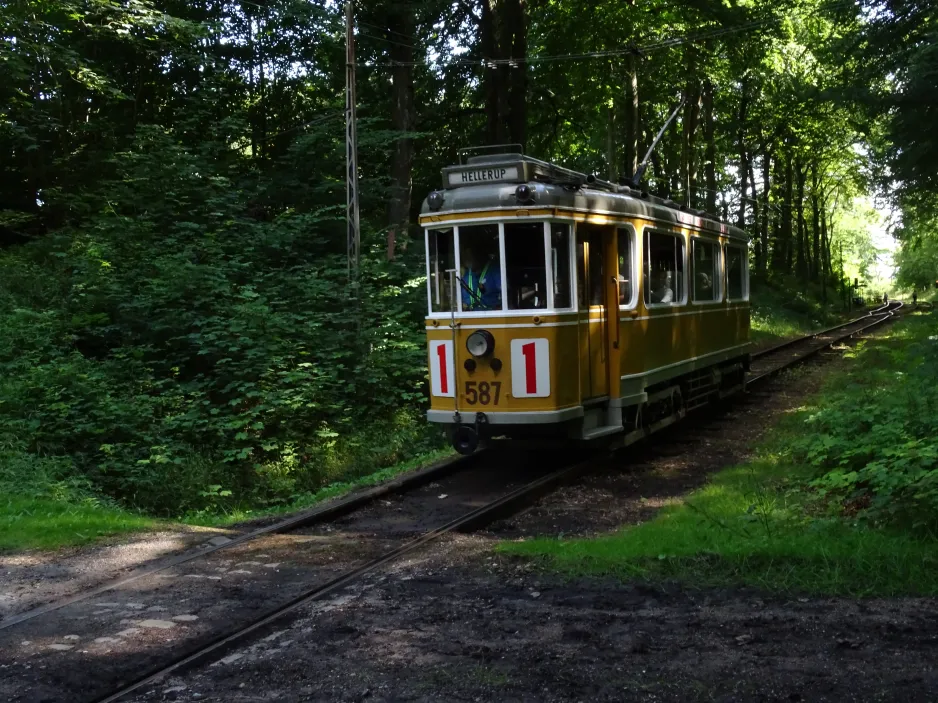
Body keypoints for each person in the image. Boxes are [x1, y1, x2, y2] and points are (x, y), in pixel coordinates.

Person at [461, 245, 502, 311]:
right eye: (466, 258)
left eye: (470, 257)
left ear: (478, 256)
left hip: (491, 315)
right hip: (468, 316)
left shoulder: (494, 270)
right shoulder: (466, 275)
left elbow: (506, 293)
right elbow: (459, 300)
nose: (467, 261)